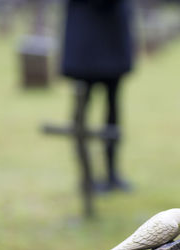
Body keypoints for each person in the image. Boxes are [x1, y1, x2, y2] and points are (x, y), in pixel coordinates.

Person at [61, 0, 135, 192]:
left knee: (110, 107)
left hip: (107, 35)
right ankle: (88, 176)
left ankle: (111, 173)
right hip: (87, 38)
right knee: (82, 111)